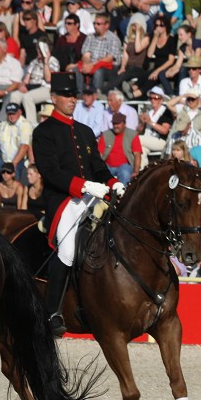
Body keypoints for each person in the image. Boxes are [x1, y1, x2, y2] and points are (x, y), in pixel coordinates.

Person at [32, 72, 121, 336]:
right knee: (68, 249)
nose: (73, 99)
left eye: (74, 95)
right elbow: (50, 172)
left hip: (92, 196)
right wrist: (82, 186)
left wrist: (114, 182)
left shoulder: (84, 131)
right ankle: (52, 313)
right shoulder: (44, 132)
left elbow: (97, 166)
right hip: (63, 200)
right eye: (67, 95)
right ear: (53, 98)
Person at [98, 113, 142, 187]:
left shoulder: (132, 134)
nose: (116, 126)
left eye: (118, 123)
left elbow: (137, 154)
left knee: (125, 173)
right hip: (108, 166)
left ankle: (123, 196)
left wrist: (136, 171)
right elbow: (99, 154)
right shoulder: (106, 134)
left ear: (124, 123)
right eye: (114, 123)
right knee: (101, 173)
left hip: (124, 166)